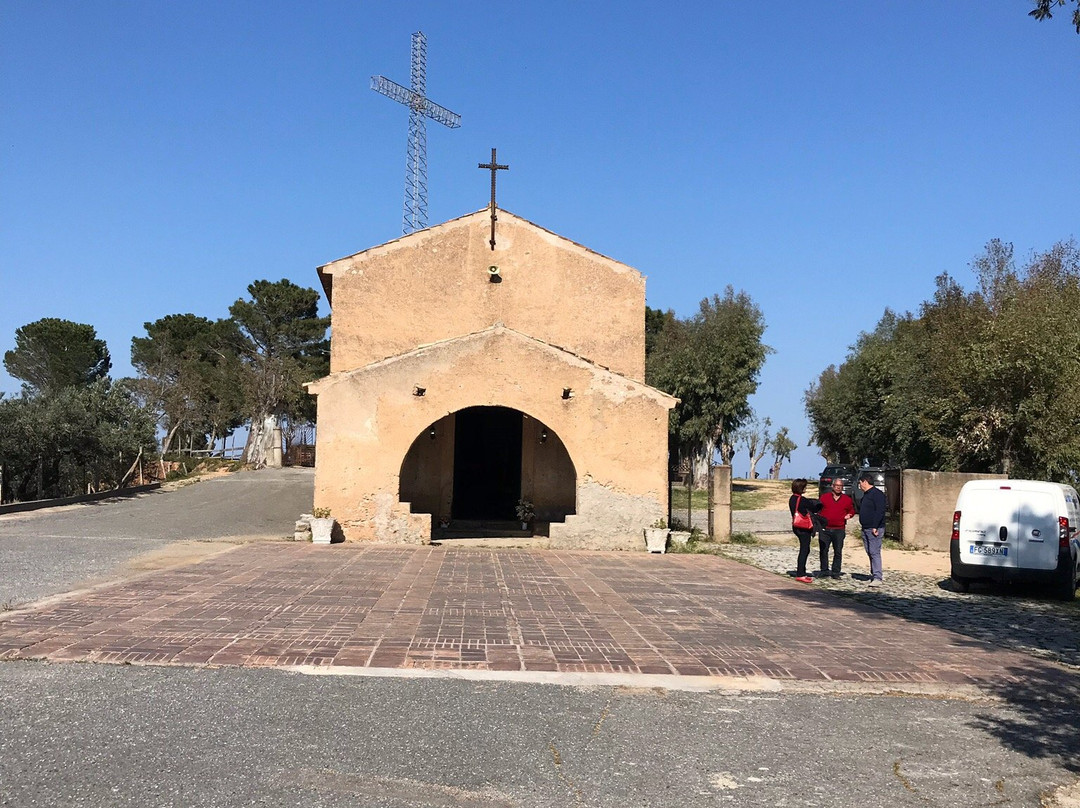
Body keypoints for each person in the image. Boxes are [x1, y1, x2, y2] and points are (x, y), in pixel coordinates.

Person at [817, 477, 855, 579]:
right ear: (832, 486)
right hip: (825, 529)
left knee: (838, 551)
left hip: (839, 529)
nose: (838, 488)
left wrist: (849, 515)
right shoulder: (824, 498)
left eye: (840, 486)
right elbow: (818, 510)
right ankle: (824, 570)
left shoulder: (847, 499)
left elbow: (852, 510)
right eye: (836, 486)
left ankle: (835, 572)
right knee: (823, 550)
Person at [788, 478, 823, 583]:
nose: (806, 488)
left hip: (796, 526)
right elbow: (813, 508)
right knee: (804, 549)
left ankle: (801, 572)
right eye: (805, 487)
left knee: (804, 549)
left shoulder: (792, 498)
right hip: (803, 527)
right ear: (801, 488)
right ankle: (801, 573)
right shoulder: (802, 500)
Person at [858, 473, 887, 586]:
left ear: (865, 481)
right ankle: (873, 573)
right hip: (865, 527)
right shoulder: (866, 495)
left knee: (874, 552)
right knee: (869, 552)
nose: (859, 485)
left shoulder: (877, 494)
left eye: (860, 483)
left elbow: (880, 511)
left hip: (874, 528)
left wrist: (875, 526)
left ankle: (877, 577)